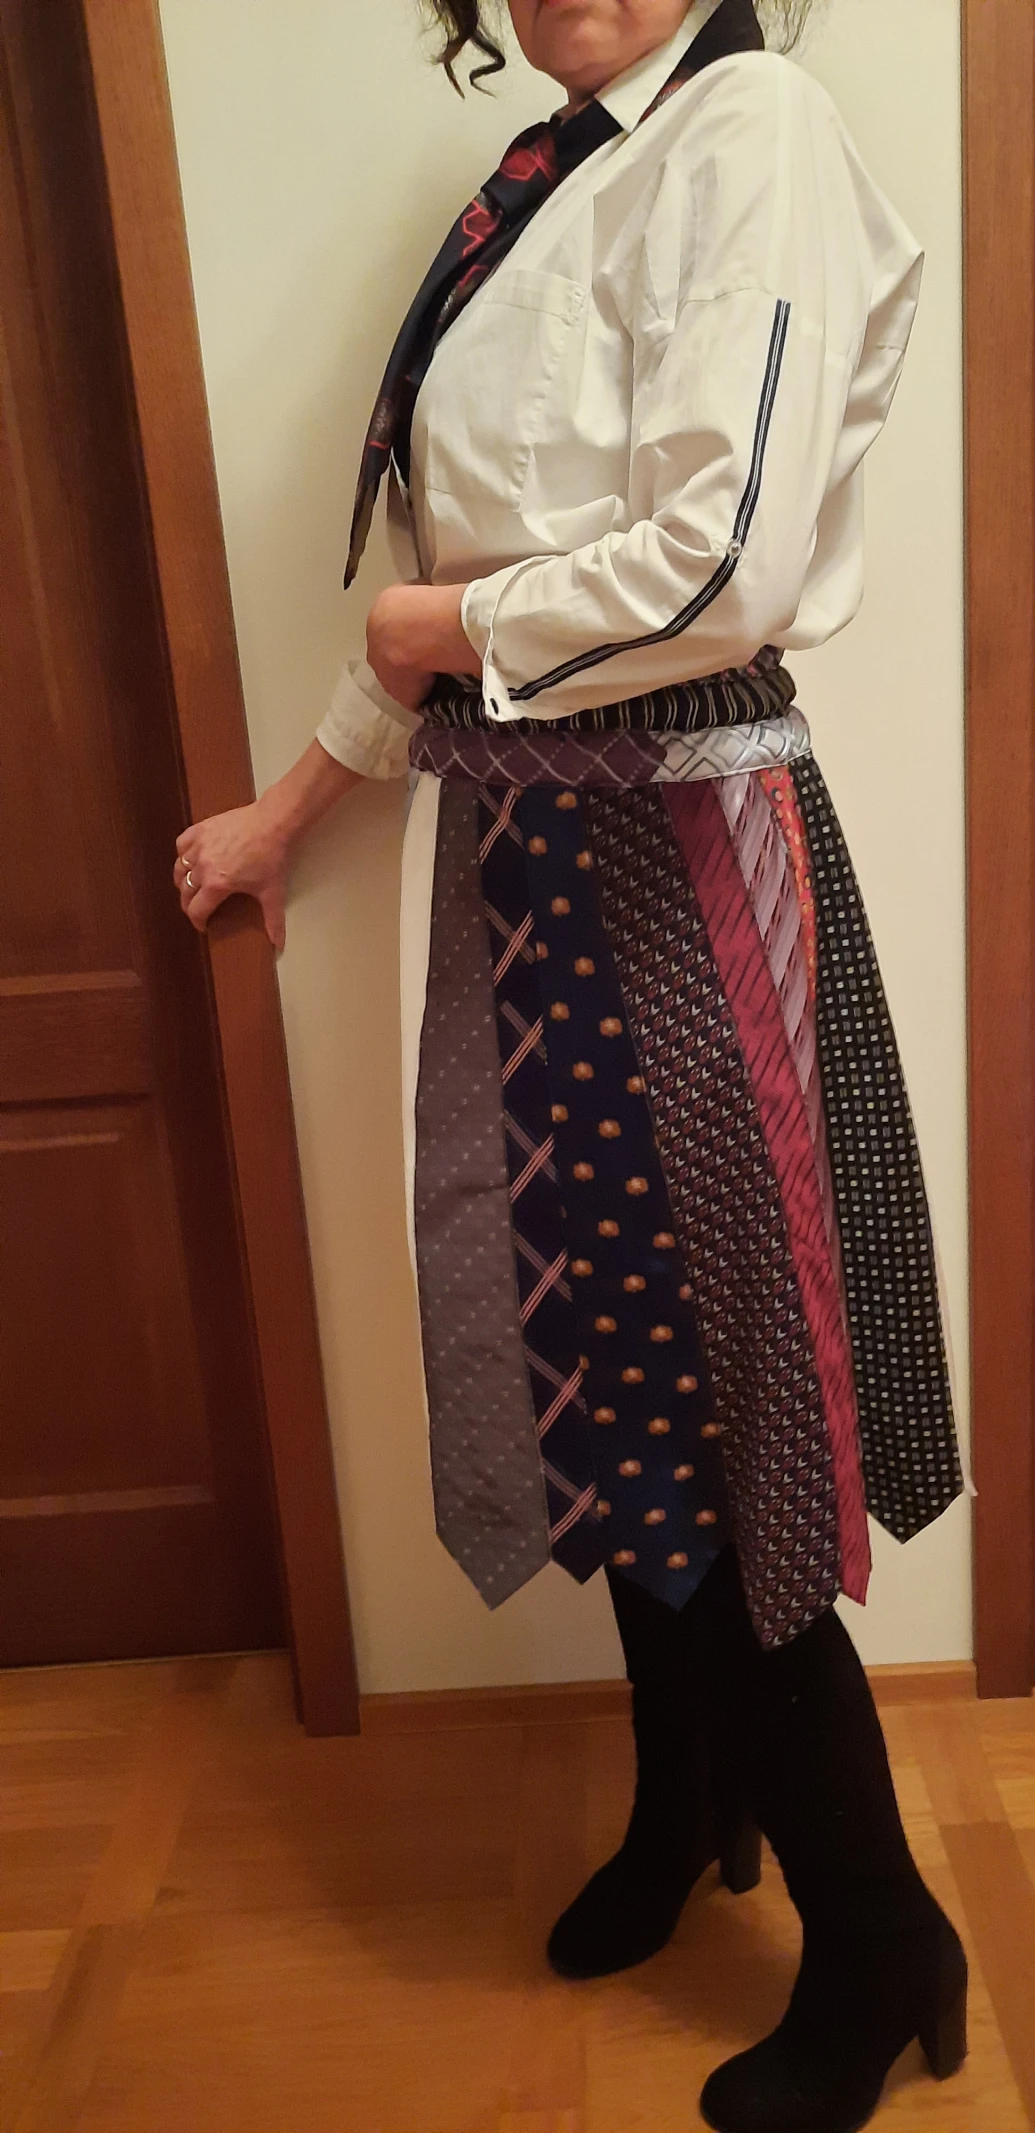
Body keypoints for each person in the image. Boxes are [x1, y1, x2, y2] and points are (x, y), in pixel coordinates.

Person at [174, 1, 974, 2126]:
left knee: (734, 1397)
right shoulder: (534, 193)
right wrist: (287, 813)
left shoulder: (752, 126)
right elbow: (421, 589)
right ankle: (690, 1796)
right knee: (593, 1368)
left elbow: (728, 559)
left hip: (687, 858)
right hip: (530, 863)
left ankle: (884, 1931)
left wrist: (443, 632)